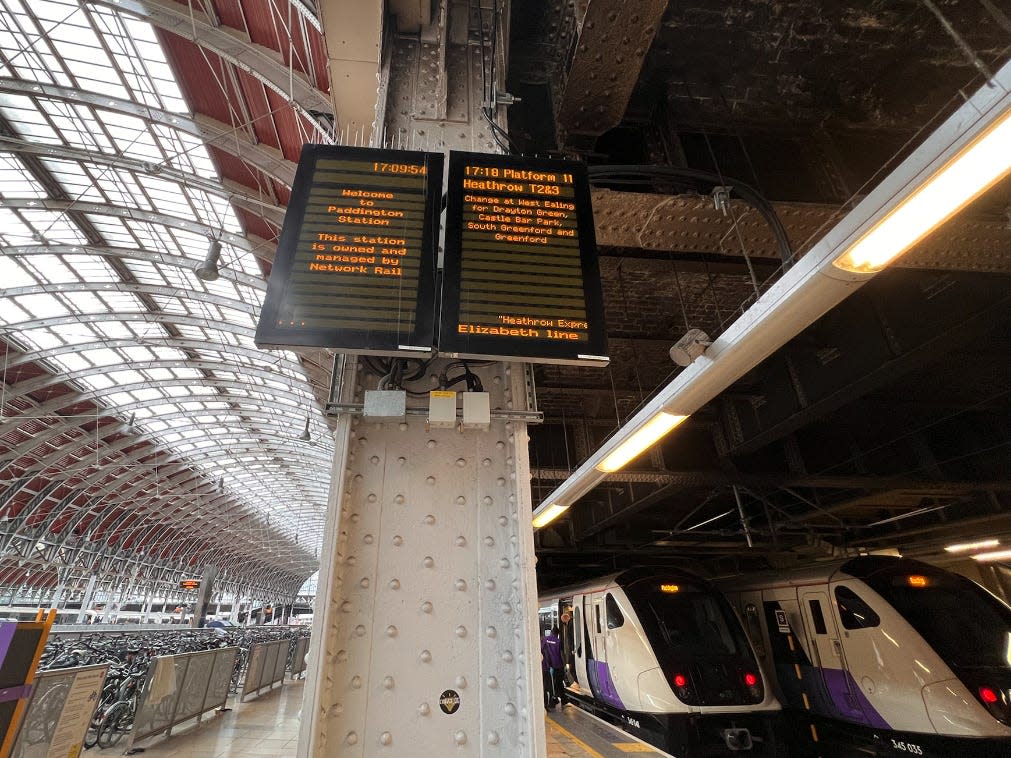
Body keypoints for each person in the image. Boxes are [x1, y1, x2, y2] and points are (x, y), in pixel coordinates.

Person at [541, 625, 566, 709]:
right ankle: (558, 700)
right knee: (559, 683)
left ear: (551, 632)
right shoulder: (558, 641)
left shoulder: (545, 639)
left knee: (551, 685)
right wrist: (564, 664)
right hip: (558, 665)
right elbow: (562, 654)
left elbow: (543, 651)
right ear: (557, 634)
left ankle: (555, 700)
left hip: (548, 666)